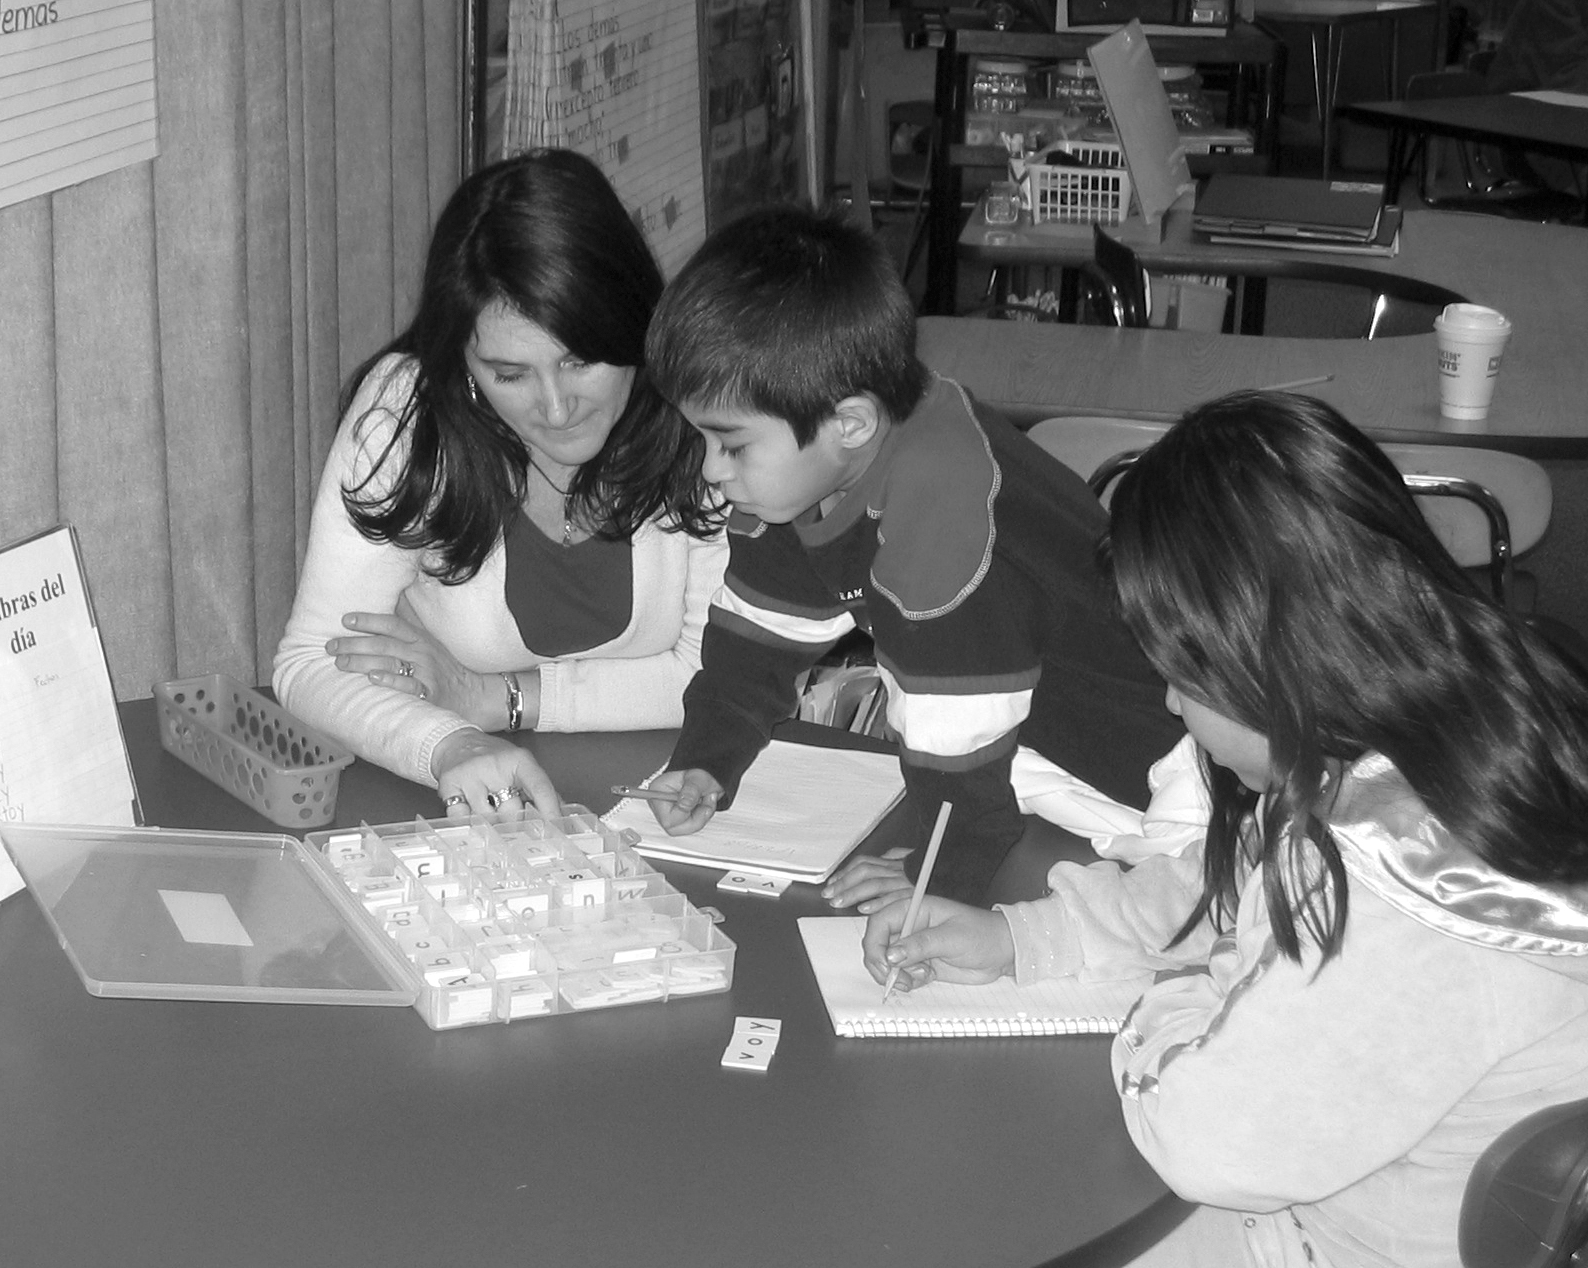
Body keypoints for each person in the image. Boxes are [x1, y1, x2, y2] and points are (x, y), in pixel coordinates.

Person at [864, 392, 1588, 1267]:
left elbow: (1210, 1142)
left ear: (1266, 648)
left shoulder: (1401, 885)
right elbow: (1236, 890)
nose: (1171, 704)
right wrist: (1024, 937)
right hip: (1337, 1199)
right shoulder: (1457, 729)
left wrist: (1174, 1005)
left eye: (1185, 676)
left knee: (954, 1213)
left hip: (1327, 1241)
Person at [640, 203, 1184, 906]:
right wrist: (707, 761)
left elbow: (957, 734)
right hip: (1017, 735)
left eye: (732, 444)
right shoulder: (807, 461)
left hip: (1150, 762)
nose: (711, 469)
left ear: (851, 425)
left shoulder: (943, 503)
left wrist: (936, 878)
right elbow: (758, 643)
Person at [272, 149, 725, 819]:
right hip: (464, 808)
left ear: (634, 322)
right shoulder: (408, 416)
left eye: (582, 360)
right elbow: (310, 660)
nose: (557, 407)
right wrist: (449, 743)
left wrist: (498, 699)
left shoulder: (705, 411)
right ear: (462, 360)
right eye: (510, 375)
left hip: (668, 798)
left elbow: (718, 675)